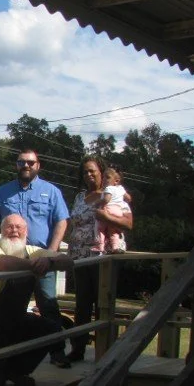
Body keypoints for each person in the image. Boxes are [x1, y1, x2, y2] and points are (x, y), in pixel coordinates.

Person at [0, 148, 70, 364]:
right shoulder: (3, 191)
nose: (26, 165)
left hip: (41, 257)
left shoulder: (51, 191)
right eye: (21, 162)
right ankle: (3, 356)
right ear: (16, 165)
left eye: (31, 162)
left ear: (38, 165)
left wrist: (51, 254)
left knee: (48, 304)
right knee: (8, 308)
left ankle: (57, 352)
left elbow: (62, 221)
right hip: (11, 260)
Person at [0, 214, 74, 386]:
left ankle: (17, 371)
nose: (14, 231)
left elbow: (68, 261)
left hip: (15, 319)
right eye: (9, 227)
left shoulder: (32, 250)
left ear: (26, 231)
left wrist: (49, 260)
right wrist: (35, 265)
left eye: (19, 227)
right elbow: (0, 264)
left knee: (51, 329)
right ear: (1, 230)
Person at [66, 156, 133, 365]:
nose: (88, 175)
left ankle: (105, 353)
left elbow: (128, 223)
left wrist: (107, 218)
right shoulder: (79, 197)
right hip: (79, 257)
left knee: (102, 304)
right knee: (81, 305)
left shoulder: (113, 195)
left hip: (100, 257)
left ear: (102, 172)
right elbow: (73, 225)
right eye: (85, 172)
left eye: (92, 171)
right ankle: (78, 349)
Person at [96, 165, 132, 254]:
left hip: (108, 210)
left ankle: (100, 246)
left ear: (116, 181)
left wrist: (99, 204)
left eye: (107, 177)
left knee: (100, 229)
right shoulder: (121, 189)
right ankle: (115, 247)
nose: (104, 179)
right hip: (118, 212)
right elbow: (129, 198)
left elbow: (106, 200)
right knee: (113, 232)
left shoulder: (108, 189)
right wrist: (121, 199)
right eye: (103, 177)